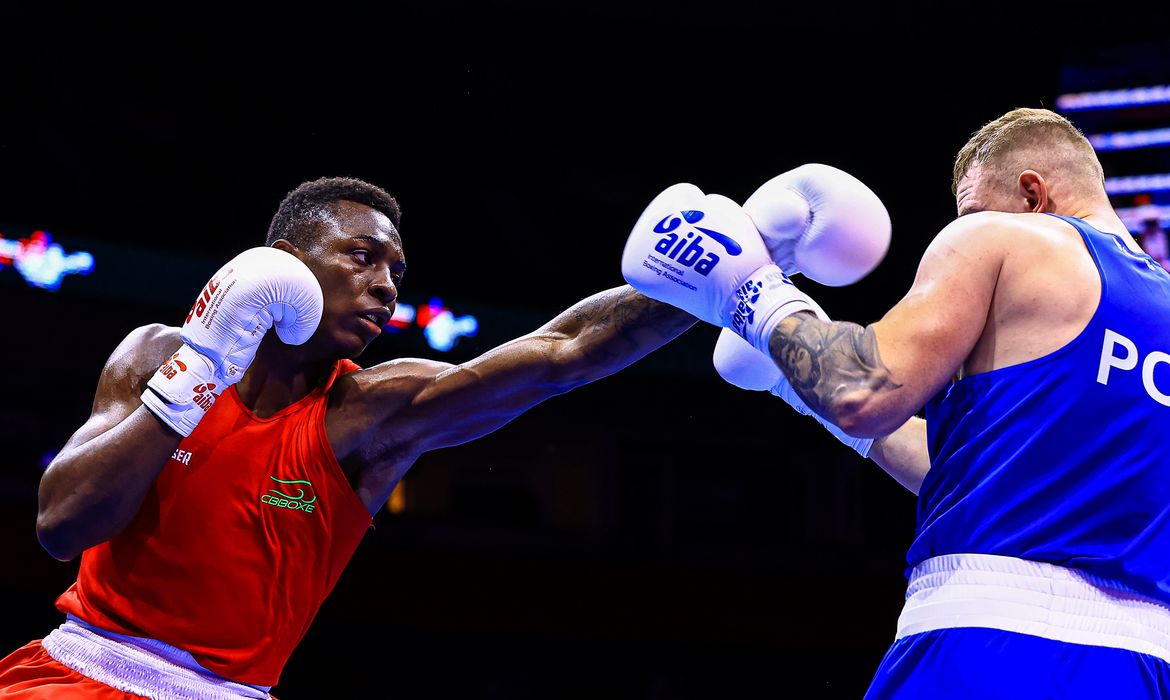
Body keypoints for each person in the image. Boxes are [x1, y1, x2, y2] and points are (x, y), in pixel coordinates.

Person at [0, 176, 699, 698]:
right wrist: (199, 369)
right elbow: (63, 525)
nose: (386, 287)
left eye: (396, 272)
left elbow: (563, 353)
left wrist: (713, 276)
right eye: (363, 257)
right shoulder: (157, 354)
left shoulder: (373, 411)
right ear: (283, 260)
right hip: (70, 673)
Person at [622, 108, 1170, 698]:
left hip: (987, 643)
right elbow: (972, 476)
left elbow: (863, 392)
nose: (965, 224)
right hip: (1146, 664)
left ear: (1032, 193)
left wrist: (752, 294)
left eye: (972, 210)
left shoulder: (1005, 238)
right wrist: (795, 390)